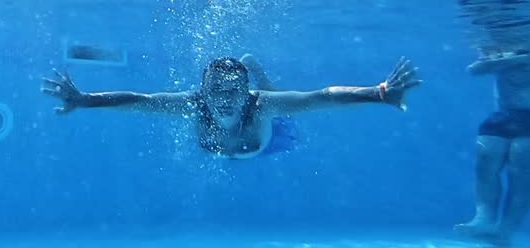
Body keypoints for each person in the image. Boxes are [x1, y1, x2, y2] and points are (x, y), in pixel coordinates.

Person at [41, 54, 421, 159]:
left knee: (289, 112)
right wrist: (84, 99)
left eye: (235, 89)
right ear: (202, 92)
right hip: (232, 148)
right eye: (216, 90)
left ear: (247, 92)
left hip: (271, 143)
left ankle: (257, 67)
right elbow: (138, 101)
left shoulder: (262, 105)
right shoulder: (192, 104)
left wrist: (378, 92)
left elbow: (319, 96)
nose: (224, 98)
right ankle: (251, 64)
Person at [455, 31, 530, 243]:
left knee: (522, 159)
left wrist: (514, 58)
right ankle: (483, 218)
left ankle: (506, 230)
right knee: (486, 157)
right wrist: (510, 57)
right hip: (504, 116)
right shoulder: (504, 47)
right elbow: (474, 69)